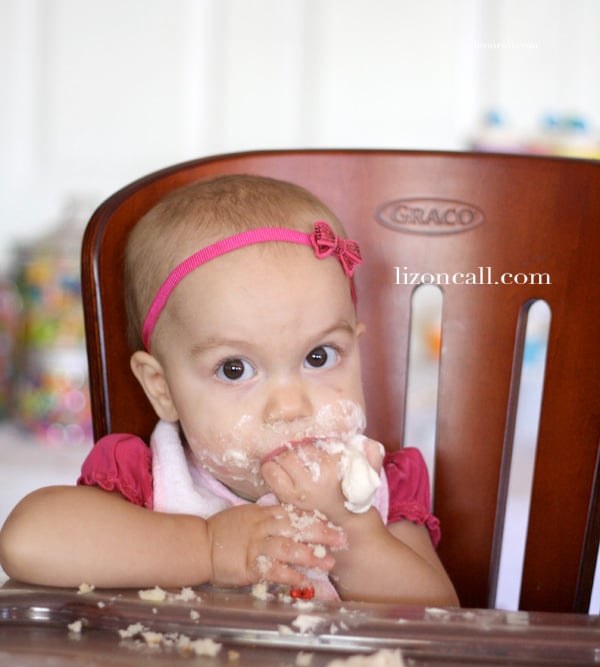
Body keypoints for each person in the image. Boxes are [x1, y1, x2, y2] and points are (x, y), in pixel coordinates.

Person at [0, 174, 458, 606]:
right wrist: (210, 547)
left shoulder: (376, 489)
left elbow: (438, 614)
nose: (290, 407)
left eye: (319, 356)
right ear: (163, 389)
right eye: (234, 368)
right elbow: (27, 542)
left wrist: (354, 532)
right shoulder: (154, 481)